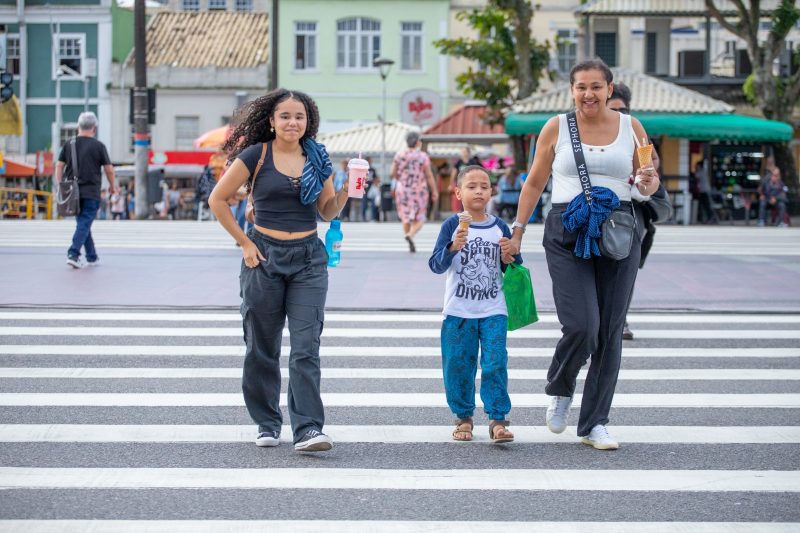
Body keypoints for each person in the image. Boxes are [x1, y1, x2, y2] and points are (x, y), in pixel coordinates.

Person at [508, 59, 661, 450]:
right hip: (566, 229)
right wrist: (517, 231)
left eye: (596, 86)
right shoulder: (556, 127)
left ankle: (595, 423)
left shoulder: (633, 128)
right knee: (582, 325)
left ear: (610, 90)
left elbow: (647, 183)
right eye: (581, 87)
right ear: (571, 91)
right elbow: (535, 181)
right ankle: (561, 387)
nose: (588, 94)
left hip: (618, 230)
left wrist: (647, 181)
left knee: (610, 331)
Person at [209, 88, 348, 452]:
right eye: (285, 116)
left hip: (308, 259)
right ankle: (267, 421)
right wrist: (244, 242)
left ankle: (308, 429)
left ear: (308, 122)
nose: (292, 122)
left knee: (306, 347)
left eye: (299, 116)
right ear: (271, 120)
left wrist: (349, 191)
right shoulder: (255, 155)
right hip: (263, 257)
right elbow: (218, 199)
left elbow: (327, 211)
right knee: (262, 346)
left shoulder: (317, 157)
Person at [428, 165, 521, 443]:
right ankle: (463, 417)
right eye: (471, 186)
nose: (479, 190)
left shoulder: (500, 226)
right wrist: (452, 247)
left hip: (494, 309)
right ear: (458, 192)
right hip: (458, 311)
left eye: (484, 185)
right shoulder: (451, 226)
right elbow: (435, 264)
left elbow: (514, 266)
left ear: (492, 191)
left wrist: (510, 258)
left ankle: (498, 419)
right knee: (458, 364)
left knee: (495, 363)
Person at [607, 82, 673, 341]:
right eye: (613, 109)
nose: (618, 114)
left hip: (633, 209)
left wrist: (642, 174)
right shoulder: (594, 130)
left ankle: (620, 319)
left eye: (622, 109)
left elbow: (651, 159)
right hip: (603, 207)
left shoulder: (634, 131)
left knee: (626, 265)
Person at [56, 111, 118, 269]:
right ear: (94, 129)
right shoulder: (98, 146)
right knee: (84, 223)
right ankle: (73, 253)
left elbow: (59, 165)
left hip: (72, 193)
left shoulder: (69, 144)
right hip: (91, 192)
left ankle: (92, 256)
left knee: (83, 223)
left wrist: (60, 184)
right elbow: (109, 169)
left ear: (78, 126)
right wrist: (112, 186)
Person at [391, 131, 439, 252]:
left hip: (403, 190)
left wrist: (401, 179)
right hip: (419, 190)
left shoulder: (399, 155)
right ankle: (410, 235)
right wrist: (434, 190)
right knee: (421, 217)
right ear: (417, 142)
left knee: (405, 217)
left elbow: (393, 173)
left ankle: (409, 237)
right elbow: (428, 175)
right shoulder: (422, 156)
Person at [450, 147, 481, 213]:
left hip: (470, 183)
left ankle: (470, 210)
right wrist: (451, 183)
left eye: (464, 152)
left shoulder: (472, 161)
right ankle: (463, 211)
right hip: (461, 183)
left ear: (468, 153)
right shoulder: (459, 162)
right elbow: (454, 172)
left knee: (469, 197)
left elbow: (476, 171)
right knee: (462, 197)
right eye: (462, 152)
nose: (463, 153)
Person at [694, 159, 717, 224]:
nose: (695, 166)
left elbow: (696, 178)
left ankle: (710, 218)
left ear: (699, 166)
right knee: (705, 205)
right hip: (705, 190)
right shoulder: (704, 171)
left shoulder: (700, 171)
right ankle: (706, 218)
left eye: (696, 165)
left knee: (706, 205)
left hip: (704, 191)